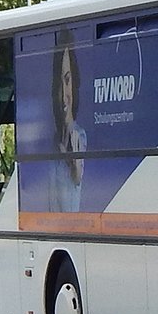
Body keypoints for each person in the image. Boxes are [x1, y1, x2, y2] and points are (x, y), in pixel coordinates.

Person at [50, 30, 87, 212]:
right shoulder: (55, 139)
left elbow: (77, 176)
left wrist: (67, 155)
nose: (64, 94)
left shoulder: (78, 135)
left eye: (67, 81)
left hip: (70, 226)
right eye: (59, 84)